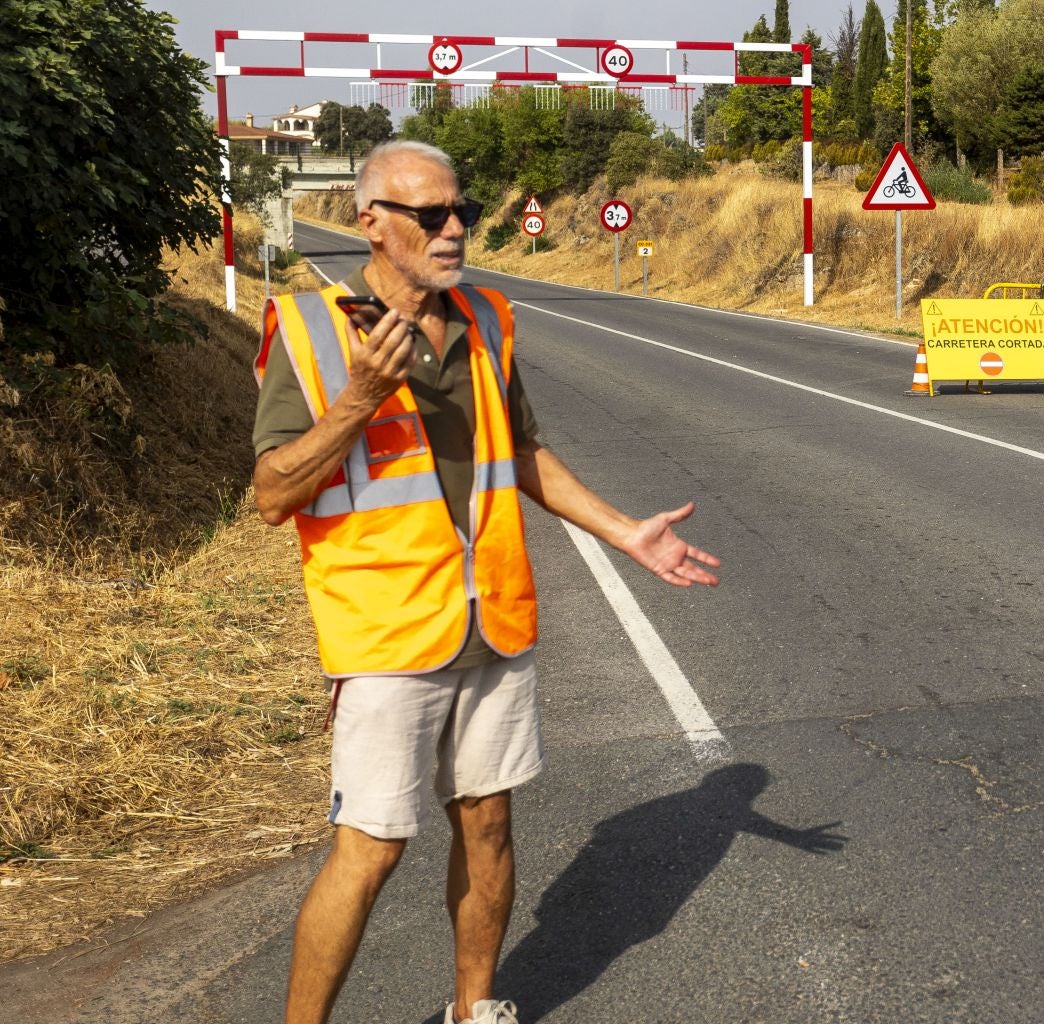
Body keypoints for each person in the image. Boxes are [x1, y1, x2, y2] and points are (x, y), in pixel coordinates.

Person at [251, 140, 720, 1024]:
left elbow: (526, 451)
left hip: (493, 617)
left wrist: (626, 534)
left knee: (490, 824)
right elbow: (272, 493)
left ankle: (478, 1008)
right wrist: (359, 397)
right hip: (386, 631)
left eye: (460, 211)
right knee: (371, 851)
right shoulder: (310, 331)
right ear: (373, 224)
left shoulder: (488, 319)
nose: (455, 228)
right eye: (431, 216)